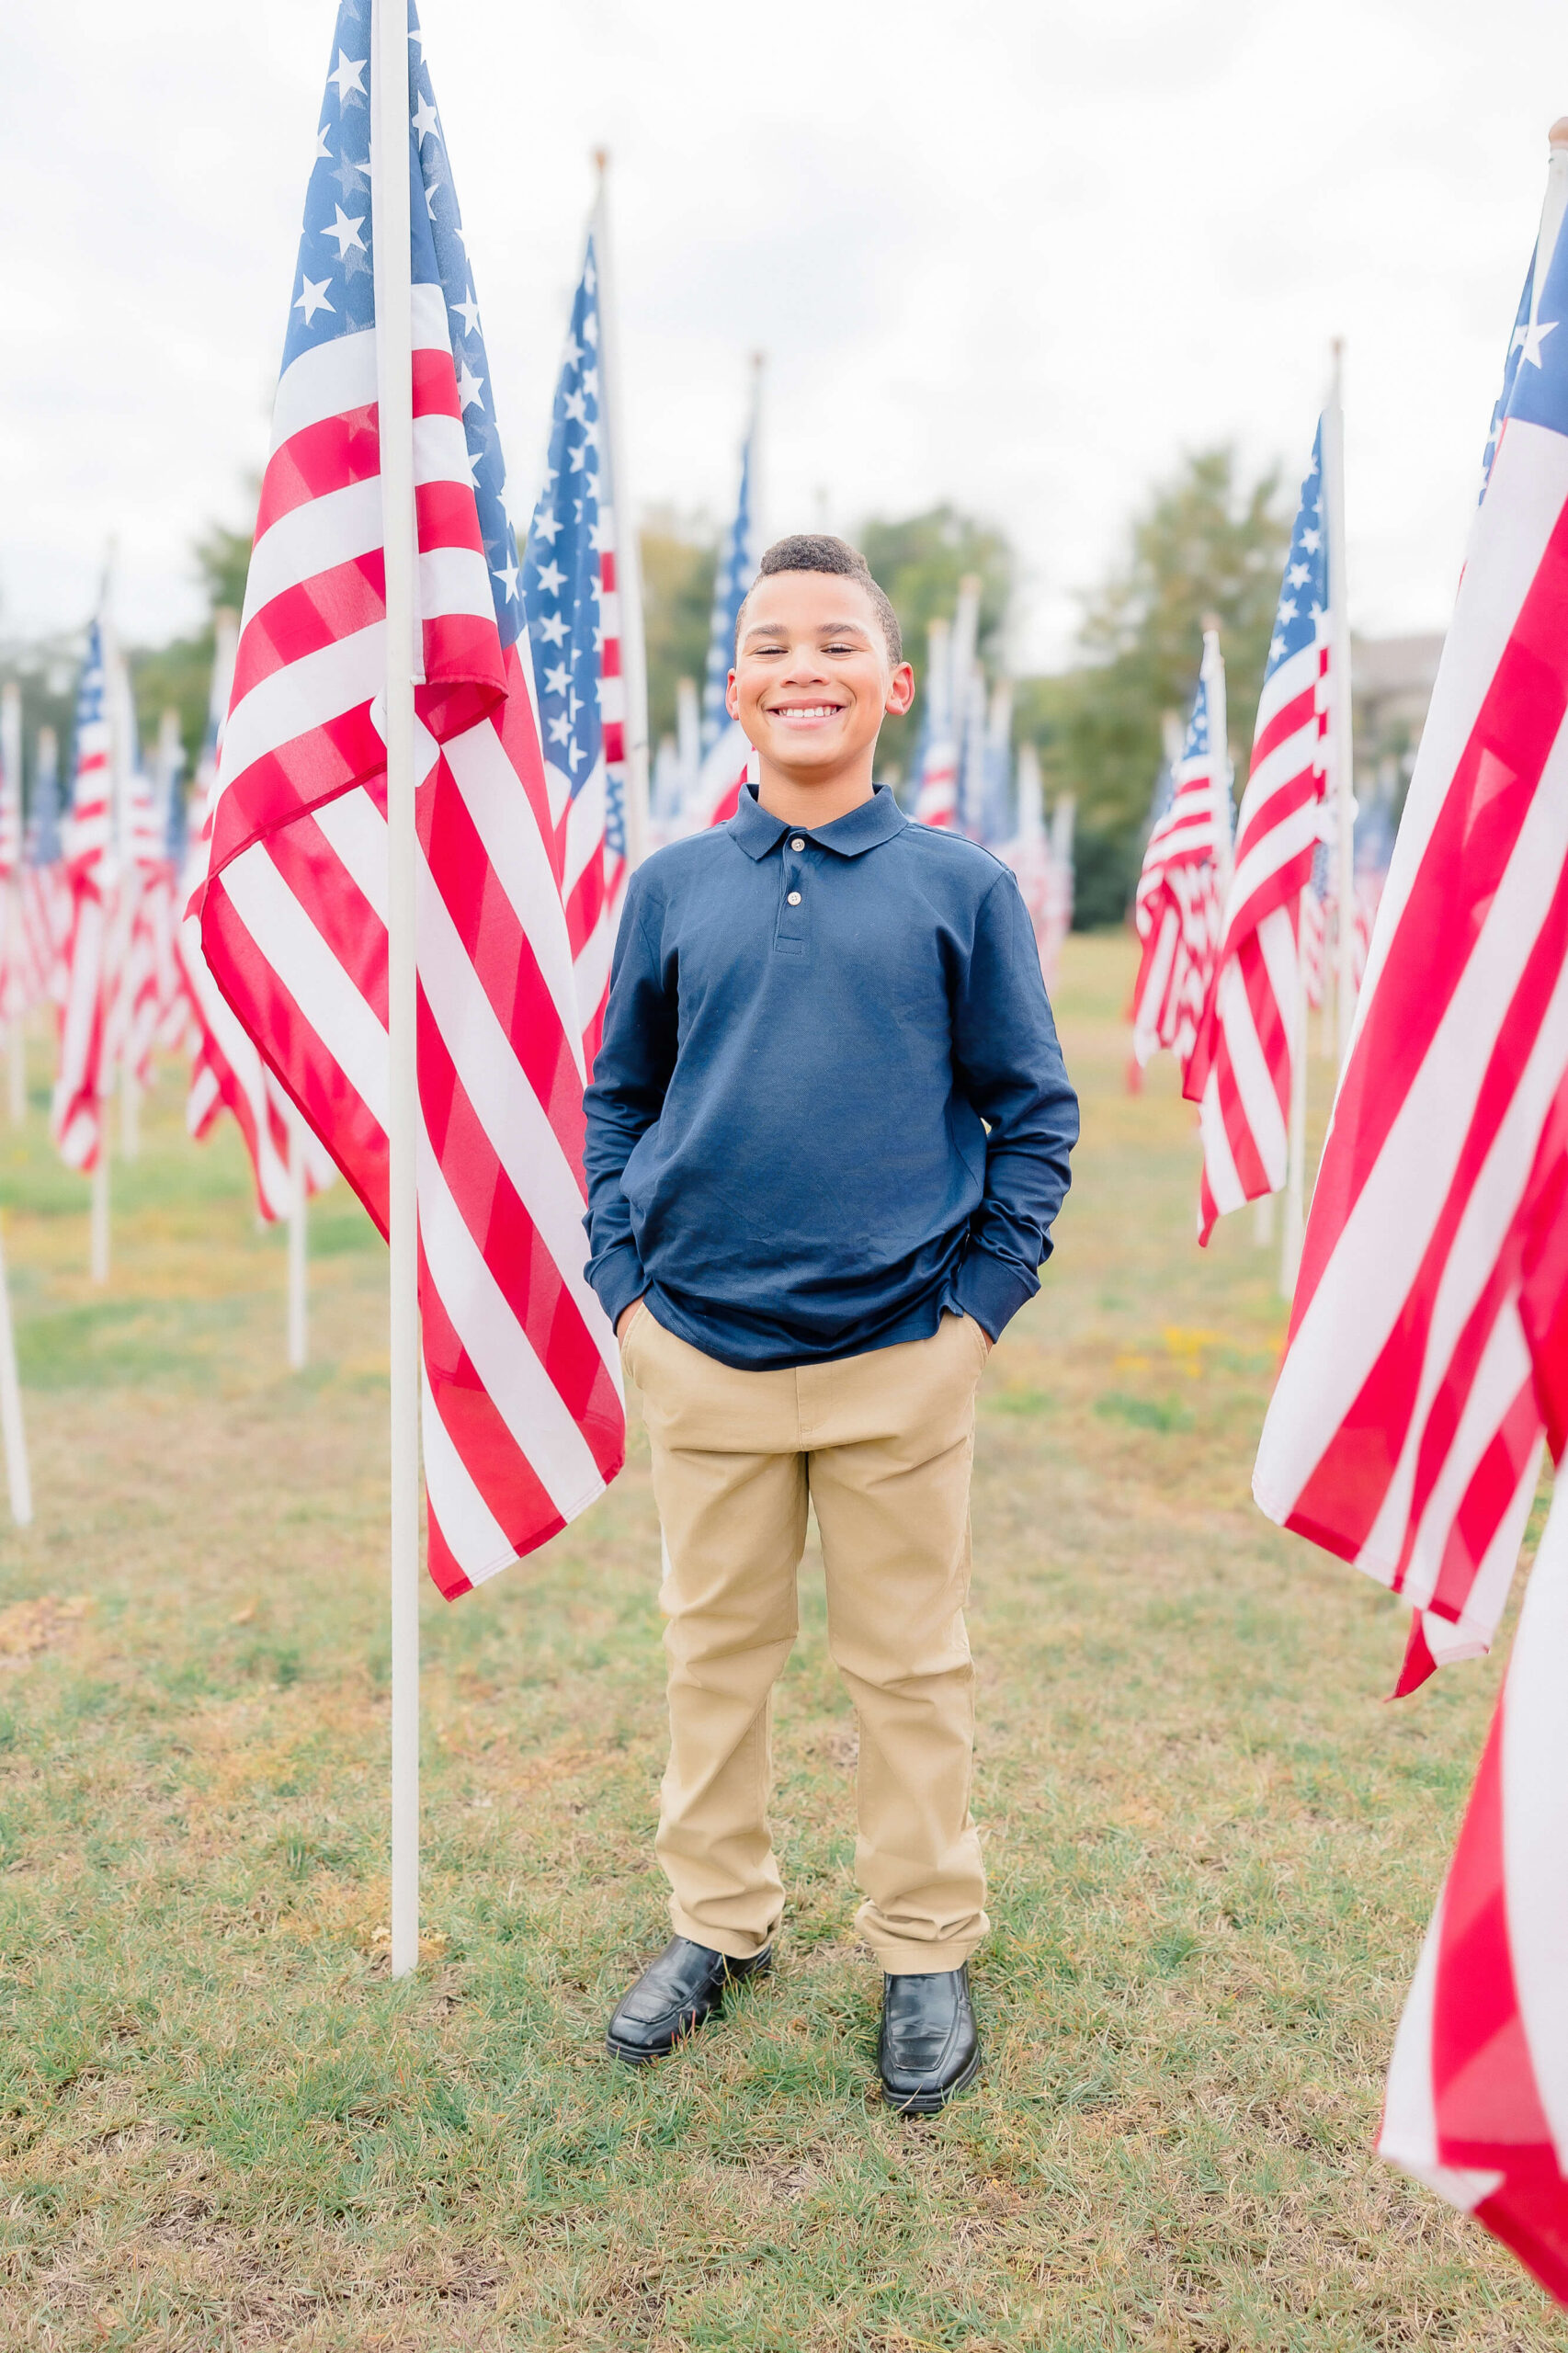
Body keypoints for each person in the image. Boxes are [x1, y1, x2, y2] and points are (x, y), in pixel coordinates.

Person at [583, 534, 1078, 2114]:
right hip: (703, 1348)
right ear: (732, 687)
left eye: (835, 645)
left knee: (907, 1666)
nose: (804, 667)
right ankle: (715, 1923)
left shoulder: (958, 887)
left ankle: (922, 1941)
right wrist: (626, 1296)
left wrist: (973, 1324)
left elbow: (1031, 1114)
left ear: (891, 684)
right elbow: (618, 1103)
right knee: (710, 1654)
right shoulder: (670, 887)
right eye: (772, 645)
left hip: (897, 1360)